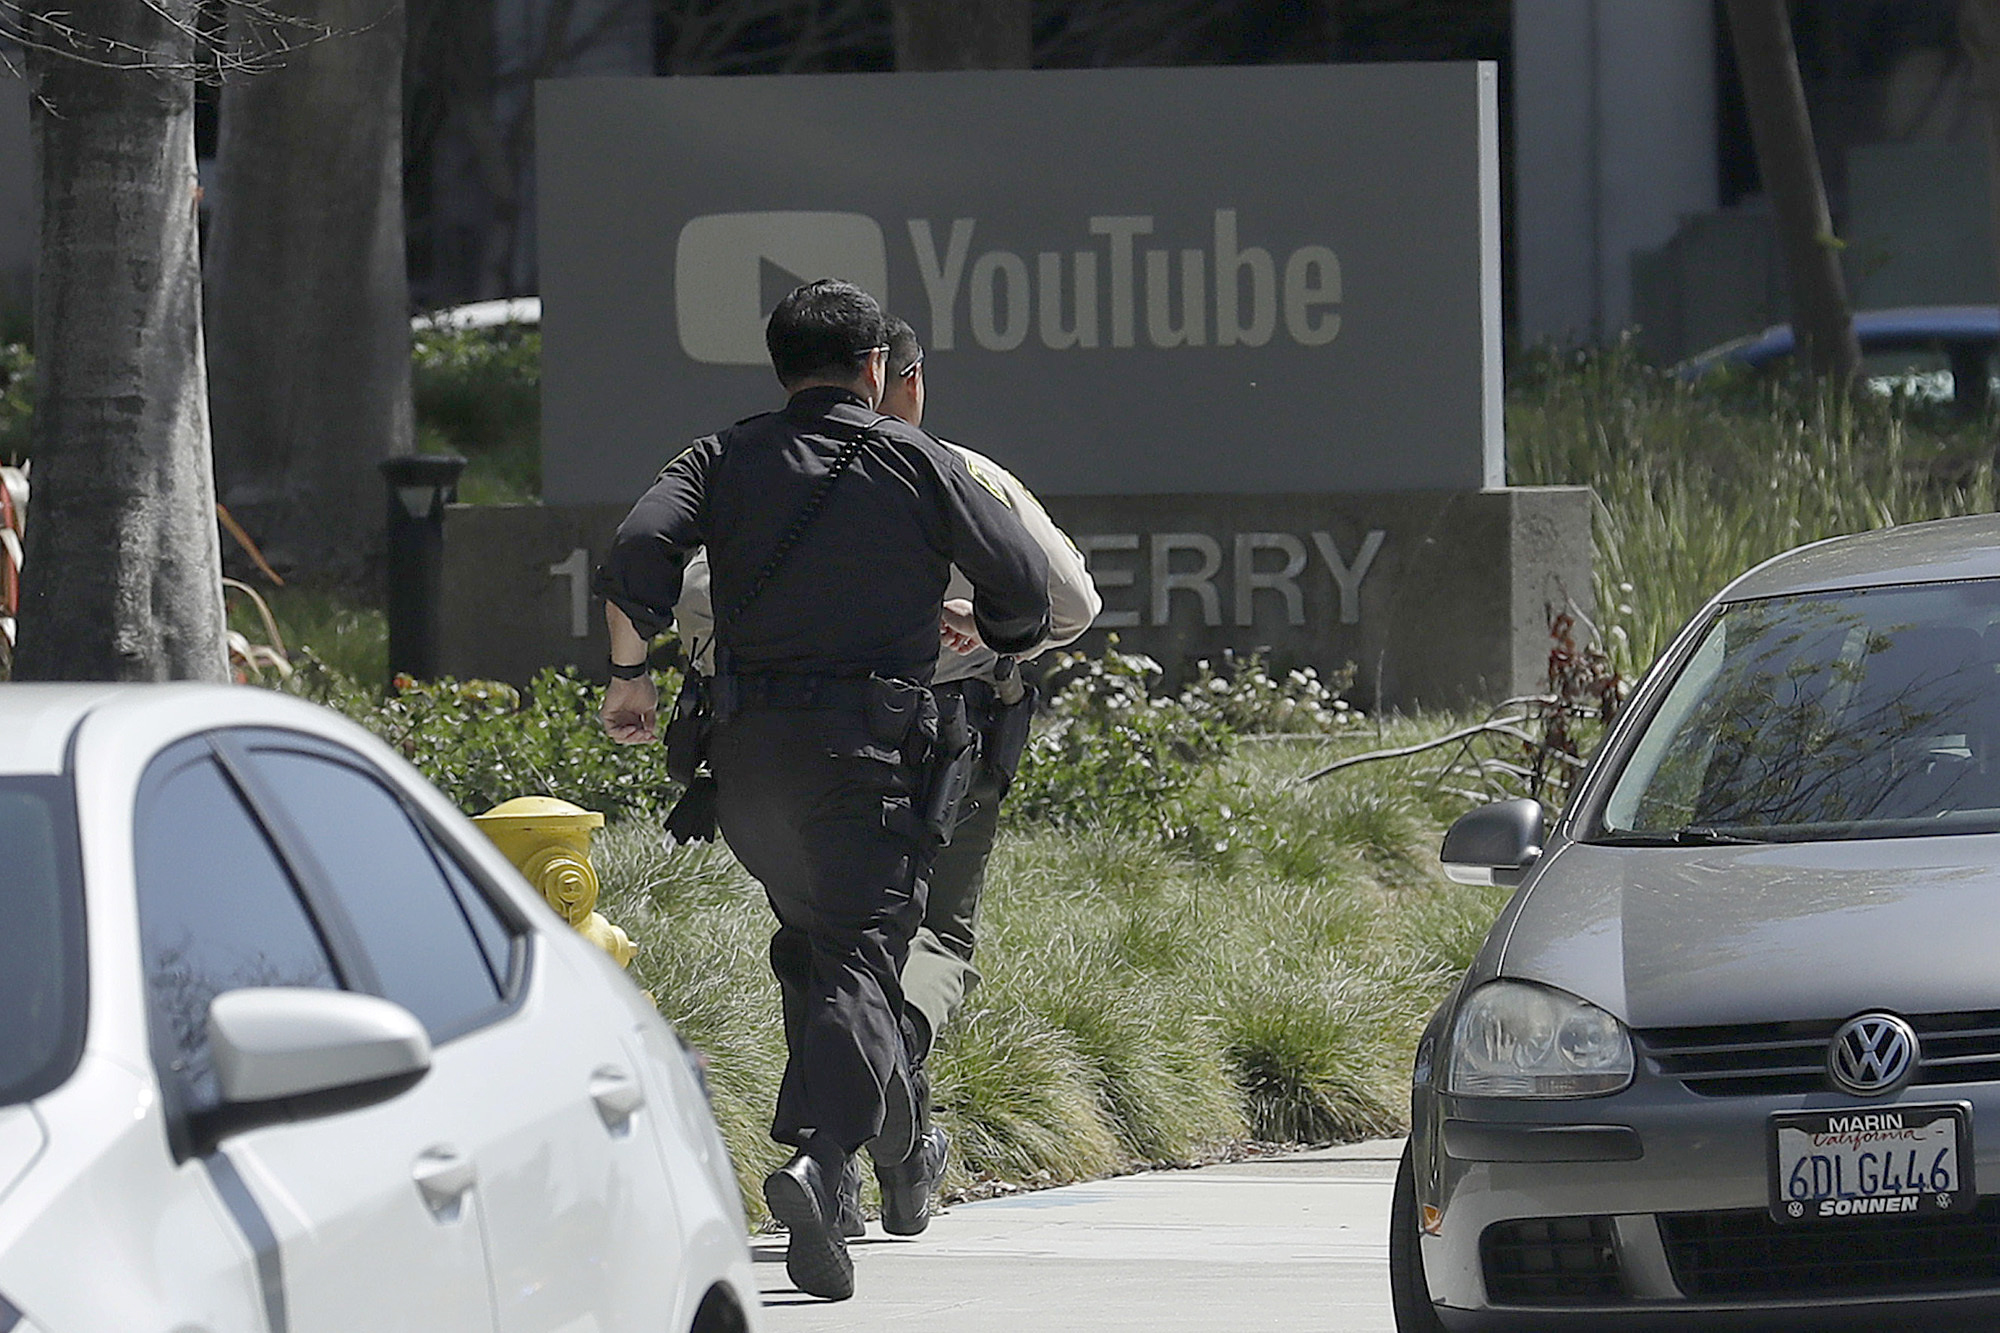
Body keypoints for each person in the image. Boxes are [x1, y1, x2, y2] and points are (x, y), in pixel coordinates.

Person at [594, 280, 1050, 1302]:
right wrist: (1004, 643)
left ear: (778, 365)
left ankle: (890, 1137)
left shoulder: (716, 456)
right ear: (875, 369)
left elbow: (635, 549)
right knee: (860, 956)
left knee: (815, 945)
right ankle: (819, 1160)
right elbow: (1020, 579)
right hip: (868, 759)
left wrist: (630, 676)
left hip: (745, 765)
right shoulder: (916, 459)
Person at [671, 316, 1101, 1236]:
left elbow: (697, 594)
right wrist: (984, 628)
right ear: (898, 379)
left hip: (794, 740)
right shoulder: (957, 471)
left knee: (829, 941)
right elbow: (1070, 600)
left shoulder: (779, 474)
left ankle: (864, 1169)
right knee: (933, 940)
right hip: (946, 744)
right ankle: (894, 1084)